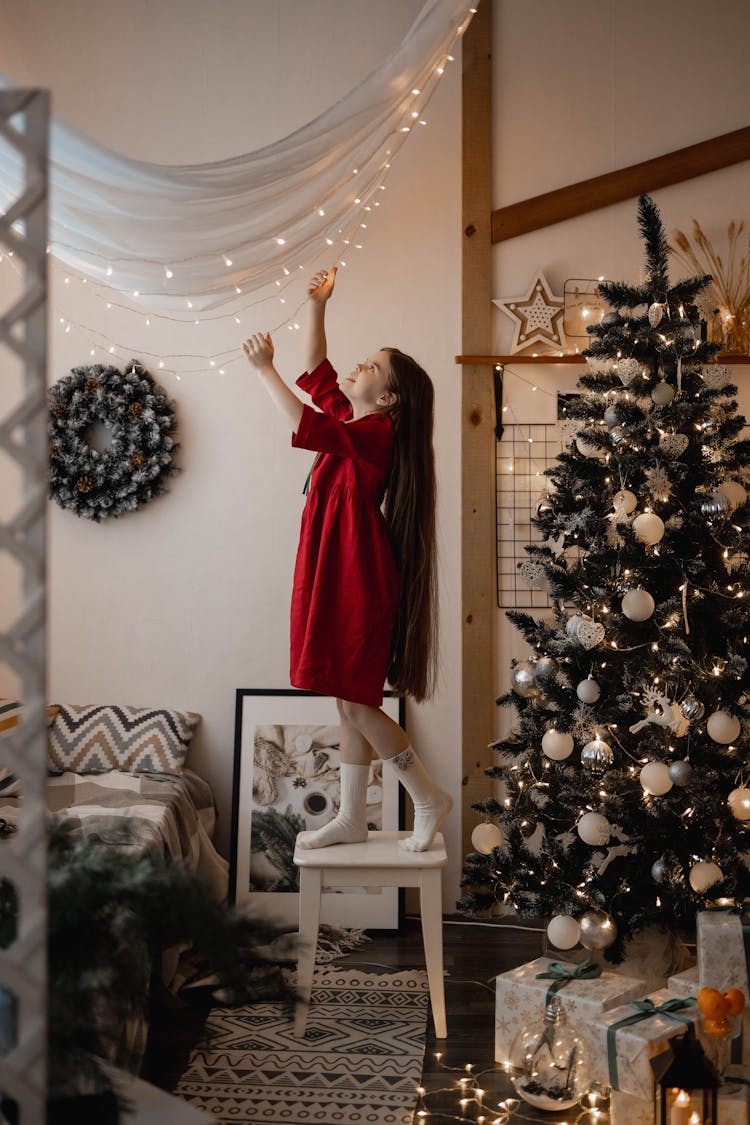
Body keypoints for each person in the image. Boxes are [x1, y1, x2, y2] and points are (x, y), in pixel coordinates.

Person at [242, 266, 451, 852]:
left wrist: (264, 371)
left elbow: (301, 419)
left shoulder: (378, 431)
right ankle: (354, 815)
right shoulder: (351, 422)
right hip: (331, 568)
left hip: (356, 575)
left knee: (358, 704)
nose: (357, 368)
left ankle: (428, 795)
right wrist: (318, 307)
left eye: (372, 367)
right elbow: (319, 372)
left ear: (387, 399)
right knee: (345, 698)